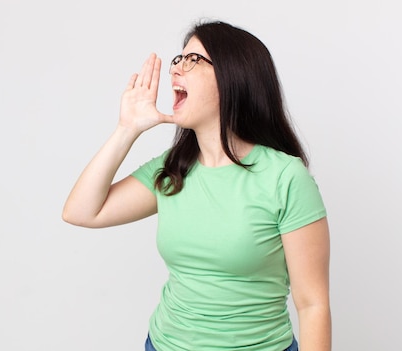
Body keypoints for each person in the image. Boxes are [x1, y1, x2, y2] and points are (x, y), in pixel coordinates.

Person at [62, 20, 330, 351]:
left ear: (233, 76)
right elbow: (81, 212)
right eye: (179, 58)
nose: (177, 68)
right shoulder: (172, 169)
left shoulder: (285, 178)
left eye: (193, 60)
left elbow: (312, 305)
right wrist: (126, 129)